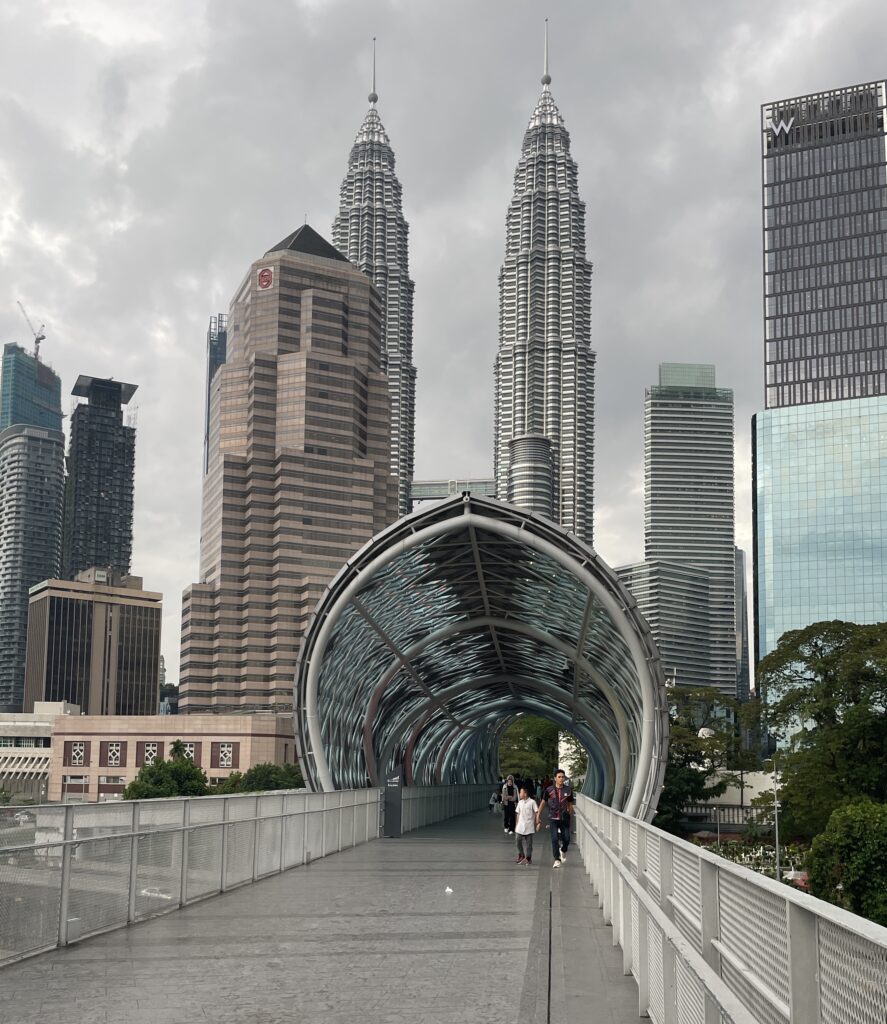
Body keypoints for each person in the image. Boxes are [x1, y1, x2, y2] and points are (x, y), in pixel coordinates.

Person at [536, 768, 573, 868]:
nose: (561, 779)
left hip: (564, 818)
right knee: (554, 839)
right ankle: (557, 859)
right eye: (559, 777)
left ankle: (563, 850)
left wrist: (570, 815)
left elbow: (570, 804)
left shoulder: (568, 790)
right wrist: (538, 814)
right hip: (553, 817)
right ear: (555, 778)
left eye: (563, 777)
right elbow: (543, 802)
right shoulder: (549, 790)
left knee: (567, 839)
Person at [514, 785, 539, 865]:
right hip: (520, 826)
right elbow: (518, 814)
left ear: (525, 794)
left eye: (520, 792)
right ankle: (521, 855)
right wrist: (516, 824)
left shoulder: (532, 802)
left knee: (529, 844)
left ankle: (528, 858)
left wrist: (538, 823)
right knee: (518, 841)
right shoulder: (520, 802)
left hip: (529, 826)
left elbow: (537, 812)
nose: (519, 794)